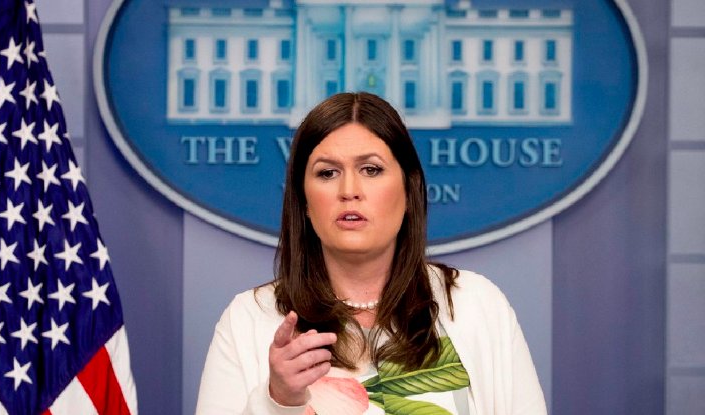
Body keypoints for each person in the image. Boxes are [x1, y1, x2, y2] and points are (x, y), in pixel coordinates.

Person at [195, 92, 546, 415]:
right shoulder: (247, 318)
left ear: (408, 191)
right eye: (328, 173)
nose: (349, 190)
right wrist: (278, 401)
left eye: (371, 170)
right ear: (304, 202)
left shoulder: (476, 303)